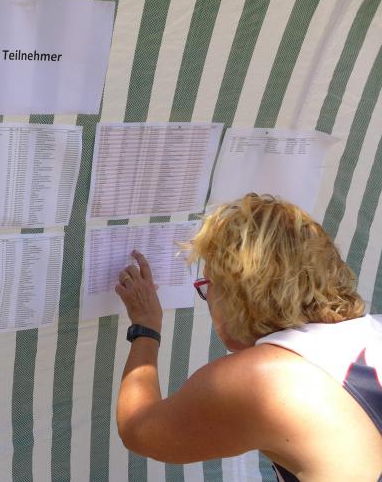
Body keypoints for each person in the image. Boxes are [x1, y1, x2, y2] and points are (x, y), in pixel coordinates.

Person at [115, 193, 382, 481]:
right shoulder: (372, 331)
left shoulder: (262, 377)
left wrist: (146, 326)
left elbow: (139, 430)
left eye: (208, 284)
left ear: (236, 293)